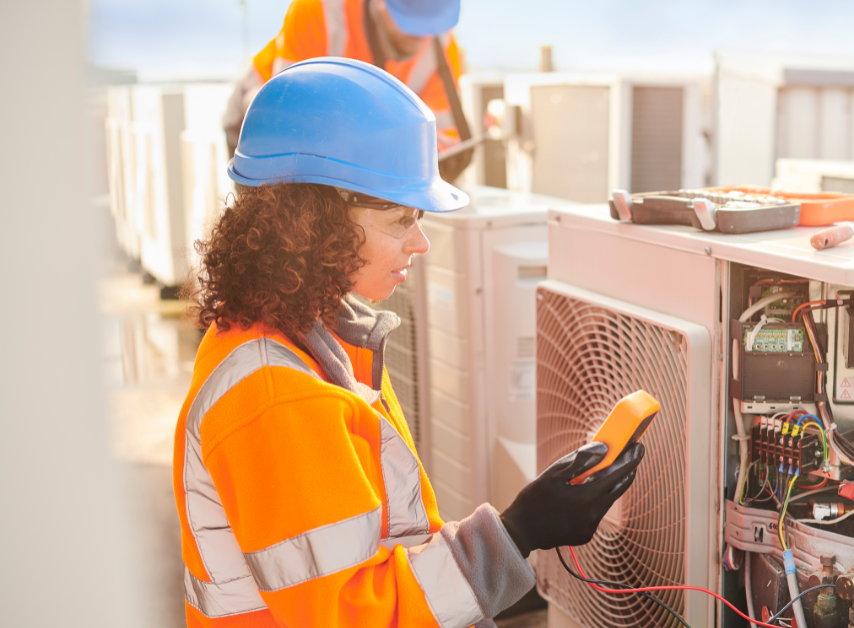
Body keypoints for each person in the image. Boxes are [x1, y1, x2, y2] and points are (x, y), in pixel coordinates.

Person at [175, 57, 645, 627]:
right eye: (400, 218)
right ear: (310, 222)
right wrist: (520, 531)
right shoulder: (277, 392)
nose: (419, 242)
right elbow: (357, 616)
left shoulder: (307, 338)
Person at [222, 0, 465, 157]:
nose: (419, 33)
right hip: (258, 114)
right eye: (408, 21)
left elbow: (444, 141)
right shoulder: (317, 10)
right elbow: (285, 122)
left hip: (358, 140)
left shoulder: (444, 49)